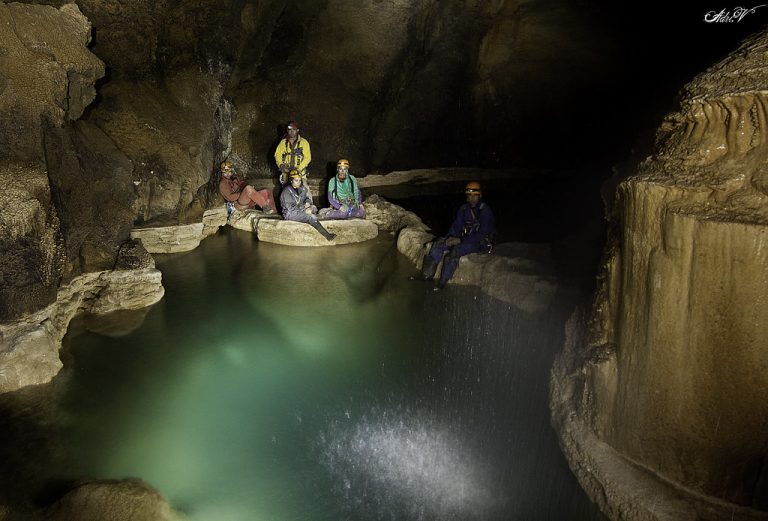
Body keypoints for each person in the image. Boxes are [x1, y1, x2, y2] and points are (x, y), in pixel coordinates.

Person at [414, 181, 494, 290]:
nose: (472, 198)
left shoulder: (485, 211)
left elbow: (482, 234)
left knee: (455, 250)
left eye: (475, 195)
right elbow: (456, 226)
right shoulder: (464, 209)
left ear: (480, 195)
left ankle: (442, 282)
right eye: (469, 195)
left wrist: (460, 240)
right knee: (439, 243)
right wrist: (450, 237)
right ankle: (426, 276)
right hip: (465, 239)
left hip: (480, 243)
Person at [280, 169, 336, 241]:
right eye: (296, 180)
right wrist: (304, 210)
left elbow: (306, 198)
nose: (299, 182)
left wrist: (307, 202)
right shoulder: (286, 192)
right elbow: (290, 208)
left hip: (300, 209)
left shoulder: (301, 188)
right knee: (311, 217)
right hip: (290, 213)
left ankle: (314, 220)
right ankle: (328, 236)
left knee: (314, 207)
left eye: (300, 180)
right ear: (291, 181)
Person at [274, 121, 312, 193]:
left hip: (299, 174)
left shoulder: (304, 143)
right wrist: (281, 164)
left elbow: (308, 157)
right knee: (285, 192)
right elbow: (277, 155)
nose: (291, 131)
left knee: (305, 190)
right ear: (287, 130)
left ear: (297, 130)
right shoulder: (283, 143)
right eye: (289, 130)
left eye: (294, 129)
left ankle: (308, 200)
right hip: (286, 173)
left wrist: (299, 168)